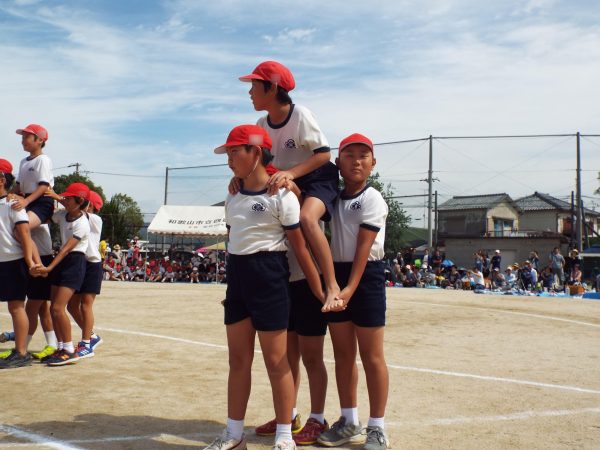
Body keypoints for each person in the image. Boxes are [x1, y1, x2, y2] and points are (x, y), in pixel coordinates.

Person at [205, 125, 324, 450]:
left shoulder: (283, 196)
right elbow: (236, 239)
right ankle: (233, 435)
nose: (229, 159)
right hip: (239, 280)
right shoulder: (231, 194)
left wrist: (320, 290)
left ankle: (285, 436)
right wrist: (234, 288)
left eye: (234, 151)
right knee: (238, 360)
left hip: (271, 278)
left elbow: (300, 248)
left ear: (255, 153)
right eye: (227, 153)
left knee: (277, 361)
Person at [236, 61, 340, 308]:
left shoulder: (300, 114)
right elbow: (252, 159)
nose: (249, 93)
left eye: (253, 86)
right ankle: (245, 287)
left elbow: (324, 154)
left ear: (271, 88)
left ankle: (332, 285)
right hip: (284, 178)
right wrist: (238, 177)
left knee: (306, 218)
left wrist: (291, 174)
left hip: (316, 176)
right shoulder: (261, 125)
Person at [319, 133, 390, 450]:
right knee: (343, 355)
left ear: (373, 164)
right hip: (338, 273)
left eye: (364, 155)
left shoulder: (373, 198)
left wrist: (348, 289)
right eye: (349, 154)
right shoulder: (332, 199)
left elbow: (363, 248)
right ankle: (349, 420)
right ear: (338, 163)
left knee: (372, 356)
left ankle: (377, 427)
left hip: (366, 275)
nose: (357, 160)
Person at [32, 182, 91, 366]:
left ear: (79, 201)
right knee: (52, 309)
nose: (64, 200)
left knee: (58, 308)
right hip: (63, 262)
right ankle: (60, 348)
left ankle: (69, 350)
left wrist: (49, 268)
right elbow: (48, 216)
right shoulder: (64, 215)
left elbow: (66, 250)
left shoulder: (83, 223)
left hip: (74, 263)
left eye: (68, 198)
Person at [47, 189, 104, 359]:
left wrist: (57, 197)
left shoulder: (94, 219)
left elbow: (78, 213)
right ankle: (92, 335)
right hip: (79, 264)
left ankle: (86, 343)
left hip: (92, 264)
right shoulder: (73, 215)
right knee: (71, 306)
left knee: (86, 304)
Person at [0, 159, 37, 369]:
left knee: (16, 307)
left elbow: (24, 234)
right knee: (14, 307)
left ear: (2, 179)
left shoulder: (14, 204)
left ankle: (21, 352)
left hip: (14, 262)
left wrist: (30, 261)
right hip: (2, 261)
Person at [10, 124, 54, 231]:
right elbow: (19, 186)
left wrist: (26, 201)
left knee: (20, 230)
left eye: (26, 137)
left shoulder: (43, 159)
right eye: (22, 138)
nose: (23, 141)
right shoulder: (23, 161)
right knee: (12, 229)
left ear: (39, 140)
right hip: (28, 200)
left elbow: (43, 186)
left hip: (42, 202)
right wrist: (7, 195)